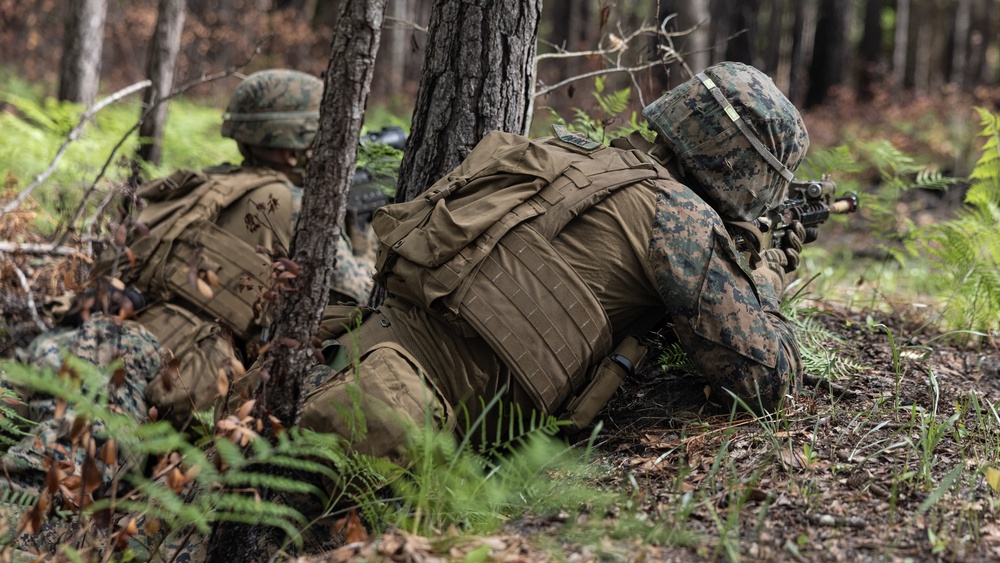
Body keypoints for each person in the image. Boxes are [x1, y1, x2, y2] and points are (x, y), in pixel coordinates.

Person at [296, 62, 809, 466]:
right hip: (392, 422)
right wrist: (764, 284)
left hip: (341, 354)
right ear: (749, 172)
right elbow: (765, 382)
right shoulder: (681, 219)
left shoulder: (567, 155)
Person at [90, 69, 374, 429]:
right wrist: (366, 243)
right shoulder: (297, 206)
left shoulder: (209, 183)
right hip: (184, 370)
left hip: (119, 333)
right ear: (293, 146)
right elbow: (360, 296)